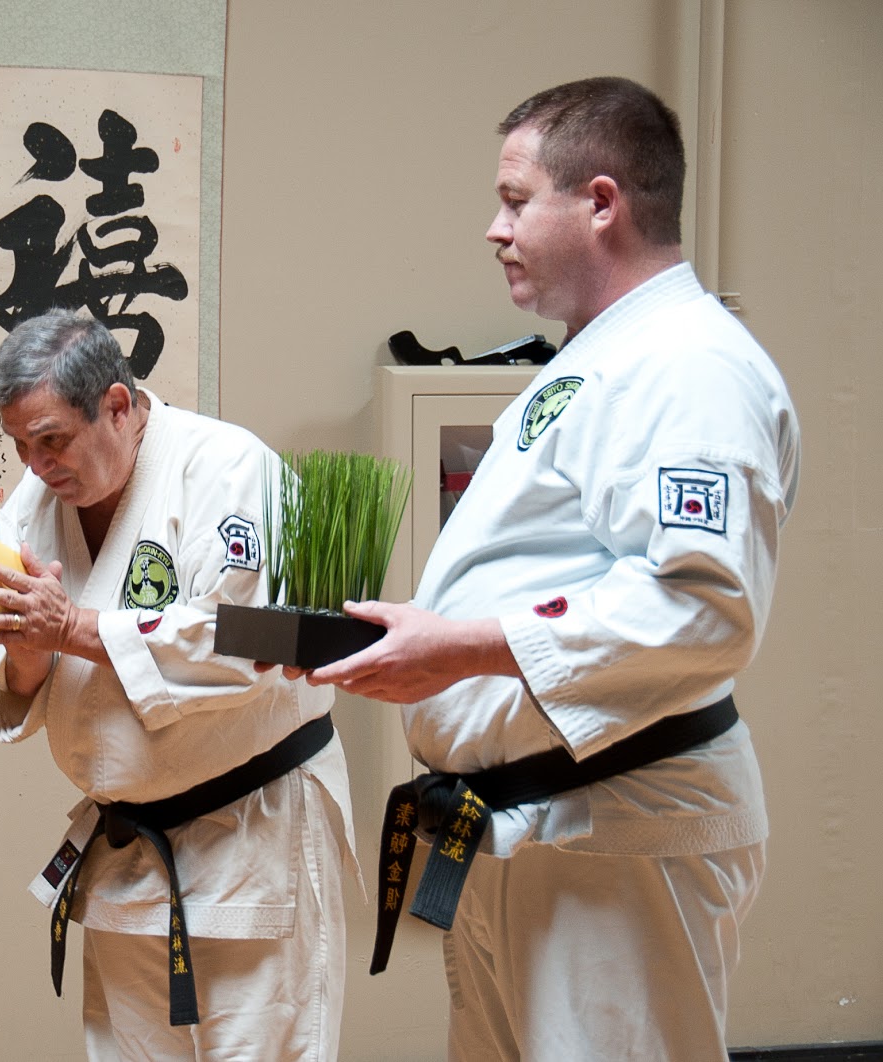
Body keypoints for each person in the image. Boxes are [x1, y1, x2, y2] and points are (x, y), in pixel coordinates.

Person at [300, 77, 800, 1060]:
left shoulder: (686, 366)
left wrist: (462, 647)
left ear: (601, 202)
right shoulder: (597, 360)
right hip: (531, 827)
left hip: (617, 832)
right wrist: (433, 636)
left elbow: (700, 609)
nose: (495, 228)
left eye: (517, 200)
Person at [0, 308, 356, 1061]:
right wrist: (23, 647)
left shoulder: (231, 470)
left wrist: (75, 627)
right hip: (126, 857)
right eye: (20, 445)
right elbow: (25, 686)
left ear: (117, 405)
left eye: (52, 441)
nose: (37, 465)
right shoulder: (33, 506)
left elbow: (251, 643)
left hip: (250, 845)